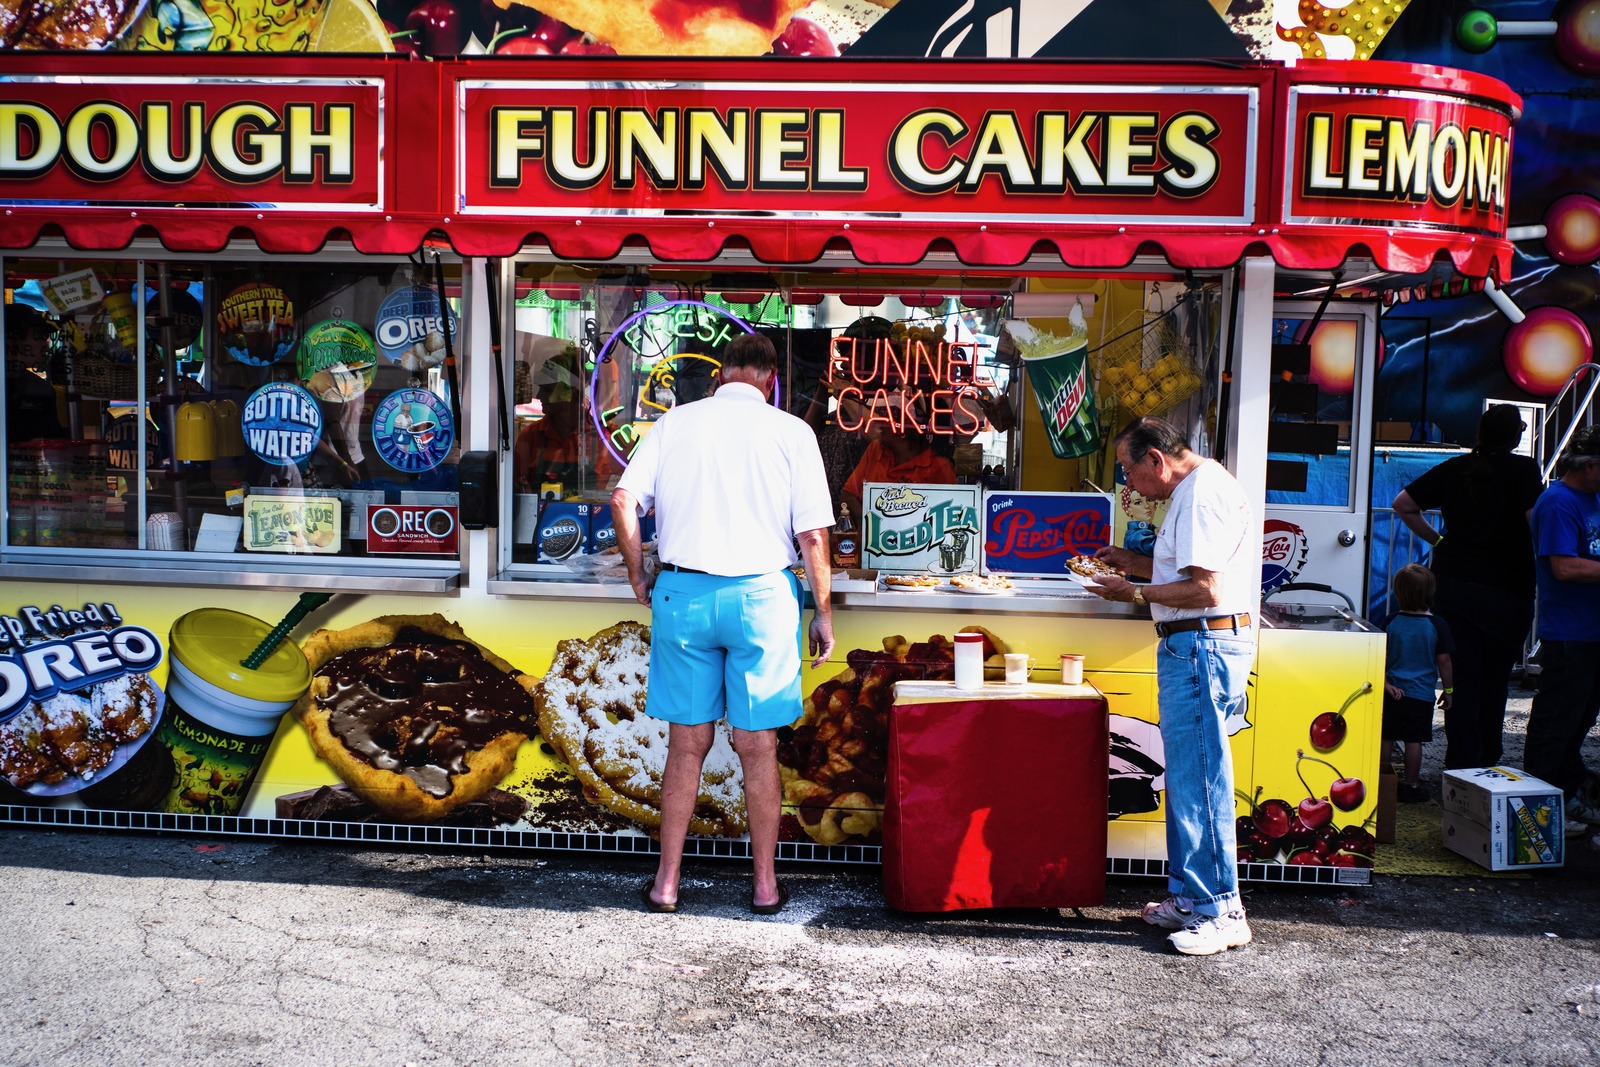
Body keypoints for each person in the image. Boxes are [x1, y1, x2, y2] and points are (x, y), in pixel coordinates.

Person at [610, 332, 836, 915]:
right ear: (768, 380)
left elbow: (622, 502)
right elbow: (812, 535)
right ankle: (764, 887)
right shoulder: (793, 432)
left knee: (687, 747)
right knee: (757, 747)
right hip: (763, 597)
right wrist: (824, 614)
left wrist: (639, 574)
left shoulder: (675, 425)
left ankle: (666, 885)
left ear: (721, 376)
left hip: (684, 594)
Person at [1086, 416, 1258, 956]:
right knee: (1188, 776)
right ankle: (1191, 899)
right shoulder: (1198, 488)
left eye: (1129, 471)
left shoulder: (1201, 493)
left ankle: (1220, 909)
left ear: (1156, 460)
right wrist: (1136, 565)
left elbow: (1205, 590)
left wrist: (1132, 594)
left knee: (1200, 778)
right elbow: (1189, 574)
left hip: (1201, 644)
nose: (1129, 485)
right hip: (1196, 645)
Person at [1392, 404, 1543, 769]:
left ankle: (1459, 764)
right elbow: (1534, 522)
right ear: (1516, 434)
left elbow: (1404, 504)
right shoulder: (1523, 470)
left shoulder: (1456, 467)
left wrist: (1438, 540)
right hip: (1507, 588)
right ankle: (1487, 763)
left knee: (1461, 681)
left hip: (1455, 585)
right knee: (1495, 681)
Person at [1522, 426, 1600, 833]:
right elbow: (1564, 566)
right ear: (1589, 466)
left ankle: (1565, 797)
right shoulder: (1557, 502)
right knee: (1556, 723)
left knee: (1578, 721)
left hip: (1590, 631)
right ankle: (1539, 809)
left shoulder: (1590, 497)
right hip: (1570, 633)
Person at [1380, 564, 1455, 803]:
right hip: (1420, 695)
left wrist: (1385, 684)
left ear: (1398, 593)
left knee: (1386, 737)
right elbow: (1444, 661)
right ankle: (1410, 785)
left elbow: (1377, 656)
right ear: (1430, 593)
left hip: (1391, 692)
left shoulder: (1390, 621)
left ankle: (1381, 780)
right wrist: (1449, 690)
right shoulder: (1437, 625)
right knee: (1414, 740)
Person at [839, 394, 957, 529]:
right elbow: (848, 495)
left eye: (887, 418)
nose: (879, 423)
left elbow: (947, 518)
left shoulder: (939, 467)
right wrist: (868, 526)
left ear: (904, 430)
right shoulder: (876, 450)